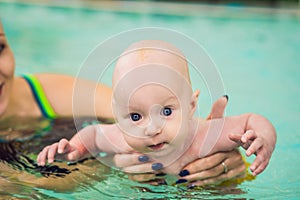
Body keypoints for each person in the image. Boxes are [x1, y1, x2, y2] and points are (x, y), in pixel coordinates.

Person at [37, 40, 276, 181]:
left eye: (167, 111)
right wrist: (74, 148)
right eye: (135, 116)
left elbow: (251, 120)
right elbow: (94, 135)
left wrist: (262, 139)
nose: (152, 129)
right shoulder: (122, 138)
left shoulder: (207, 136)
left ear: (191, 106)